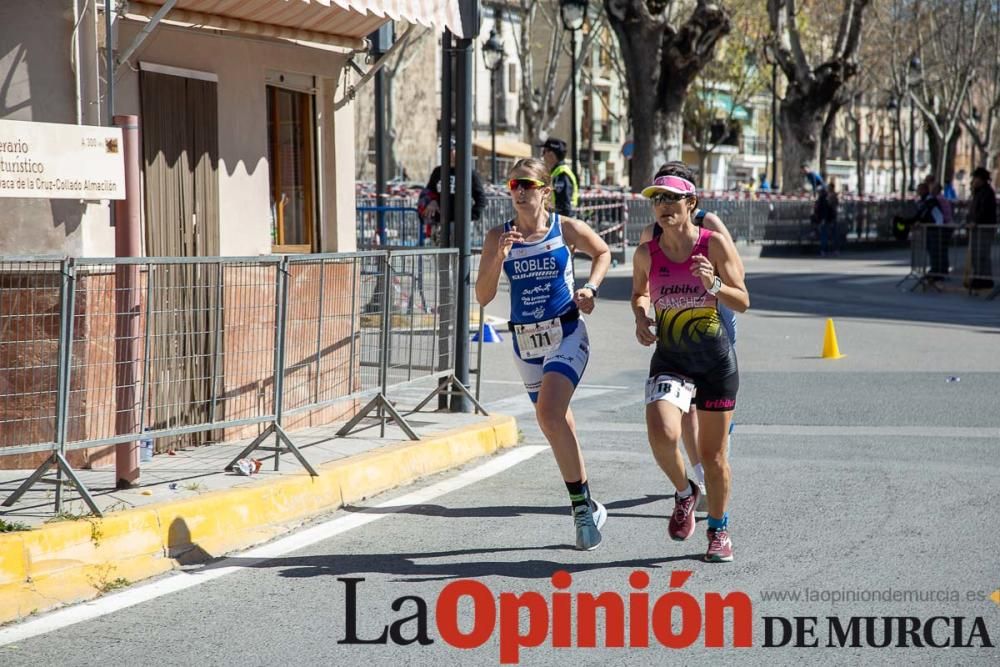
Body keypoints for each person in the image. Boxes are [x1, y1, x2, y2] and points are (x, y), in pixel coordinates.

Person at [475, 157, 611, 550]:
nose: (518, 191)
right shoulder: (497, 237)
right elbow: (483, 297)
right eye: (513, 184)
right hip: (524, 344)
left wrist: (592, 289)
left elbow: (601, 252)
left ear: (544, 191)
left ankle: (580, 511)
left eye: (527, 185)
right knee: (555, 424)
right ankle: (586, 501)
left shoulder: (564, 228)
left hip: (567, 333)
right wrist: (498, 258)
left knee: (548, 413)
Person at [632, 167, 749, 563]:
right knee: (661, 433)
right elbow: (639, 293)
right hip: (671, 357)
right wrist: (640, 317)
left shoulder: (712, 244)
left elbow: (743, 300)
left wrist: (713, 284)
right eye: (657, 199)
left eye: (671, 199)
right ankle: (685, 492)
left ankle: (719, 530)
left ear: (691, 204)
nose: (663, 207)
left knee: (714, 457)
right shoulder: (647, 251)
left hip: (715, 361)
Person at [419, 139, 487, 247]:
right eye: (445, 150)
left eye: (451, 150)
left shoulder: (468, 173)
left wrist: (470, 216)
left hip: (459, 223)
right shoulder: (438, 171)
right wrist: (432, 201)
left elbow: (481, 198)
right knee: (439, 255)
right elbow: (429, 191)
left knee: (457, 255)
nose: (448, 153)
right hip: (440, 222)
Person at [967, 167, 996, 290]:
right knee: (976, 254)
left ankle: (984, 279)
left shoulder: (987, 192)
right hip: (976, 228)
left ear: (982, 179)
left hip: (984, 228)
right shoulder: (978, 192)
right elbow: (973, 210)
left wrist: (976, 221)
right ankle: (978, 276)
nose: (974, 180)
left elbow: (984, 210)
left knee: (982, 254)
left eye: (976, 178)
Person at [538, 137, 579, 217]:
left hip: (563, 220)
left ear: (551, 154)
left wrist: (561, 224)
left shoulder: (562, 173)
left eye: (544, 152)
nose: (543, 156)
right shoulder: (556, 172)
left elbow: (564, 204)